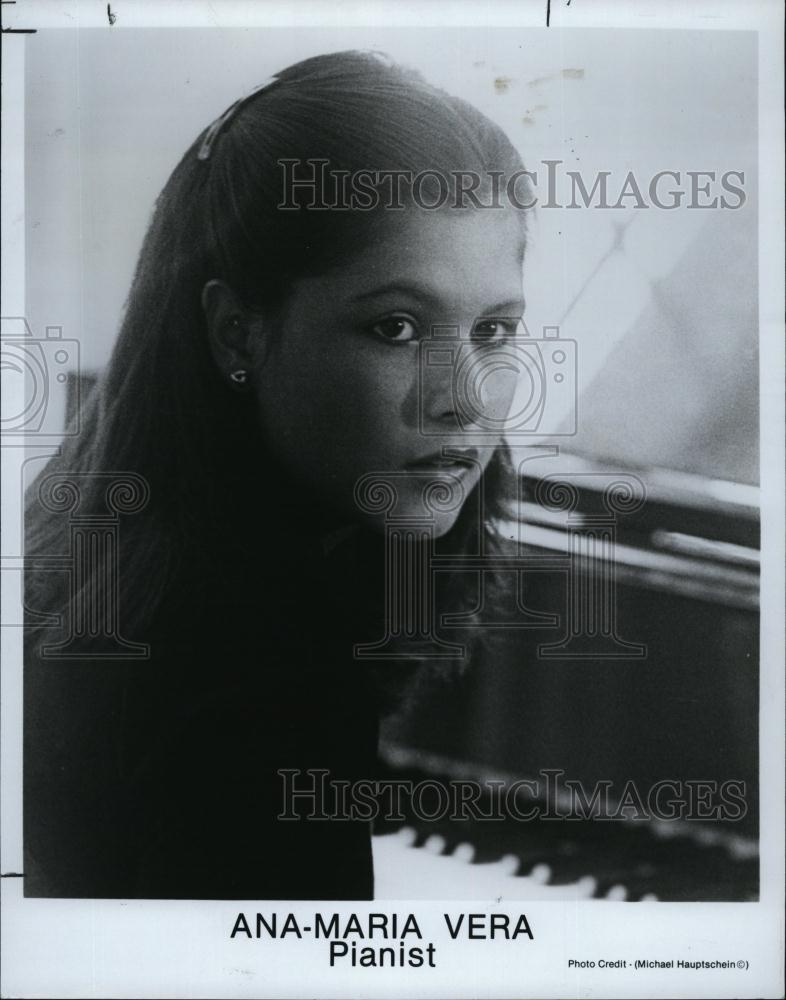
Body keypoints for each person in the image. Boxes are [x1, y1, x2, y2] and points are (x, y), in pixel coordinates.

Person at [23, 49, 532, 899]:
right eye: (397, 327)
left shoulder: (123, 569)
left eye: (492, 332)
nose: (463, 402)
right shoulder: (262, 684)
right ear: (237, 333)